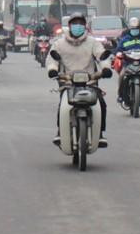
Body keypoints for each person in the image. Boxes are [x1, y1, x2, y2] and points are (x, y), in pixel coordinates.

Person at [46, 12, 112, 147]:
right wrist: (52, 70)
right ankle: (60, 131)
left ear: (85, 26)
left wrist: (105, 68)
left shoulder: (93, 42)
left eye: (81, 23)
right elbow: (52, 59)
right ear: (69, 26)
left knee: (101, 104)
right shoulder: (59, 44)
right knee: (62, 106)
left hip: (90, 82)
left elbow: (102, 56)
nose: (78, 26)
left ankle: (100, 134)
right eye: (75, 24)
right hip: (68, 82)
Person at [115, 17, 140, 104]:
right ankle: (120, 95)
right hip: (128, 64)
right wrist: (118, 53)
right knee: (122, 76)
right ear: (129, 29)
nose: (134, 31)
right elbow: (119, 50)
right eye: (133, 29)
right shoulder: (124, 39)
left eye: (136, 29)